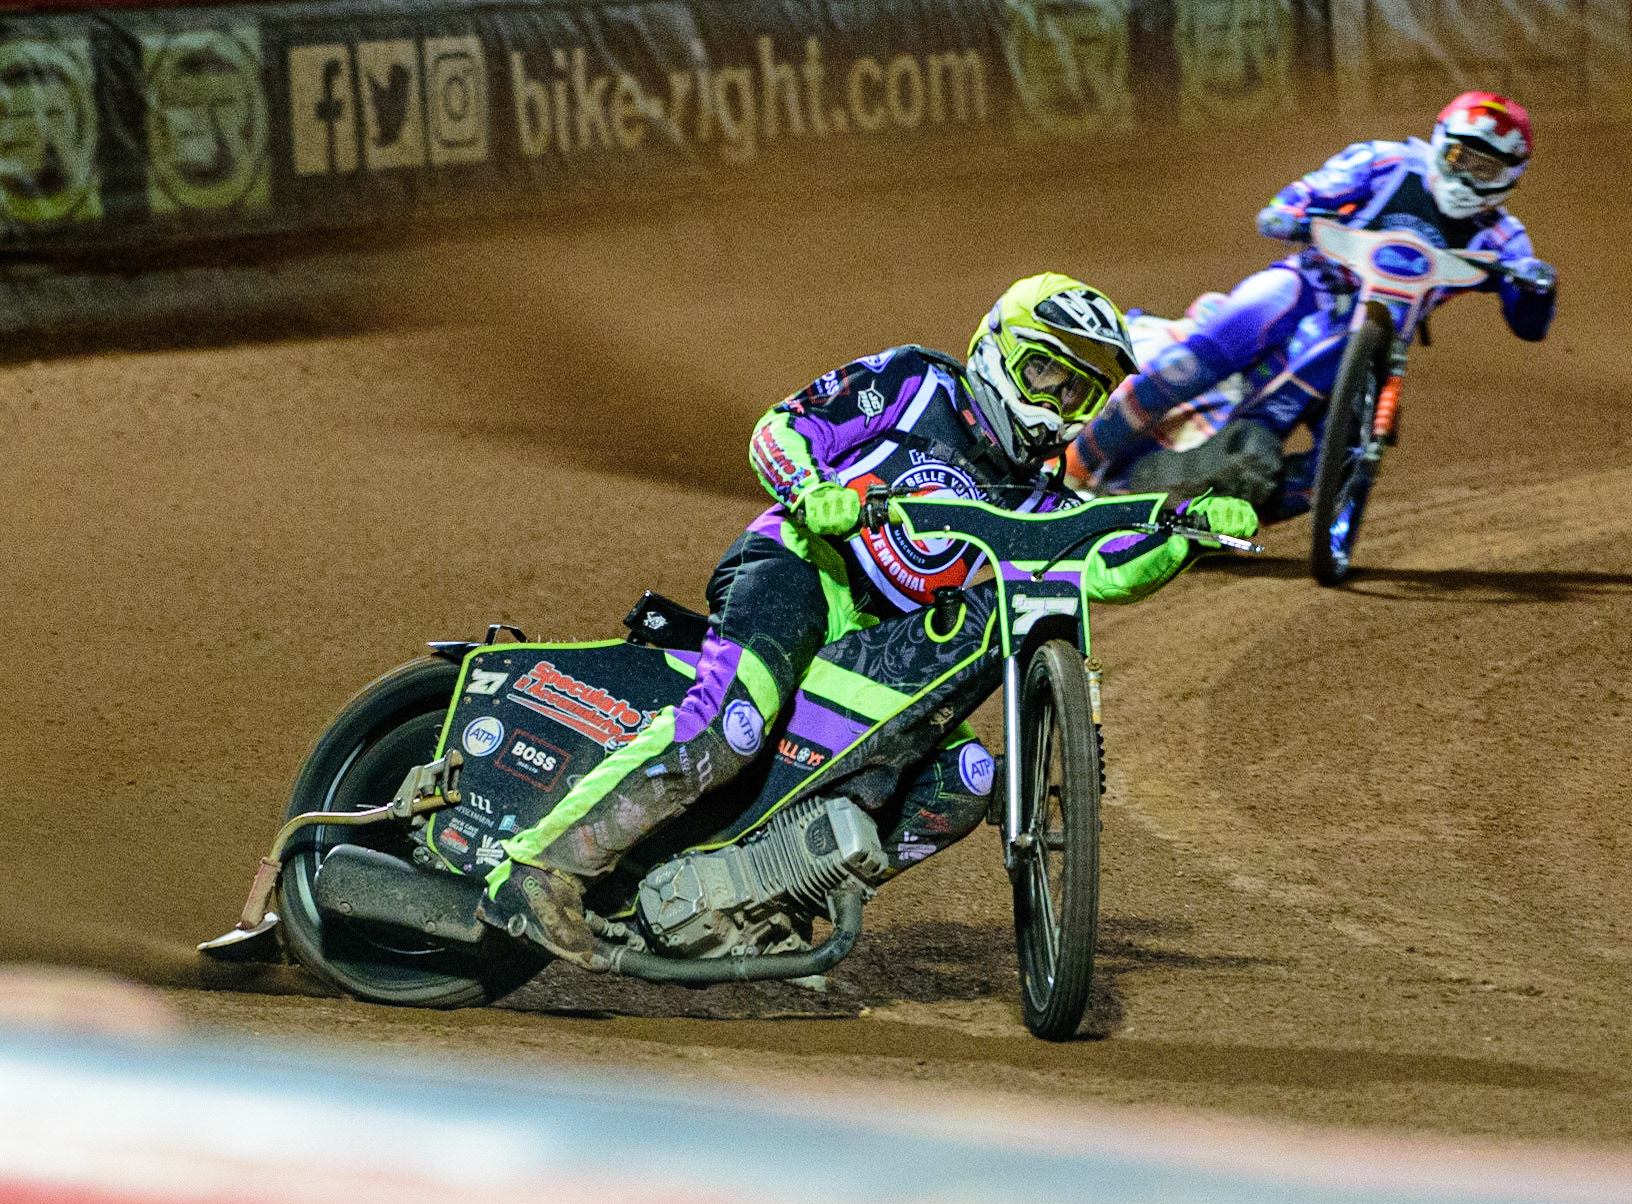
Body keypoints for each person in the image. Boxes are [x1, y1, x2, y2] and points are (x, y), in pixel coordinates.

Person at [478, 273, 1260, 963]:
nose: (1056, 402)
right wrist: (814, 489)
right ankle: (538, 868)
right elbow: (782, 427)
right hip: (804, 569)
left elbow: (1106, 565)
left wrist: (1182, 531)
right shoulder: (918, 381)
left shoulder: (1042, 503)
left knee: (965, 777)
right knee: (734, 720)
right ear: (997, 348)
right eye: (1046, 371)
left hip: (879, 652)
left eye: (1078, 392)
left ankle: (765, 897)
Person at [1065, 92, 1559, 515]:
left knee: (1339, 468)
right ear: (1439, 144)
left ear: (1509, 176)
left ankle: (1191, 513)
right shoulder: (1386, 162)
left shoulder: (1502, 236)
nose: (1468, 176)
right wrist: (1291, 213)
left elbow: (1530, 325)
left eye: (1485, 167)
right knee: (1196, 358)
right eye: (1459, 158)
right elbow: (1302, 196)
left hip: (1381, 340)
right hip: (1308, 284)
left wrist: (1538, 288)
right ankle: (1073, 466)